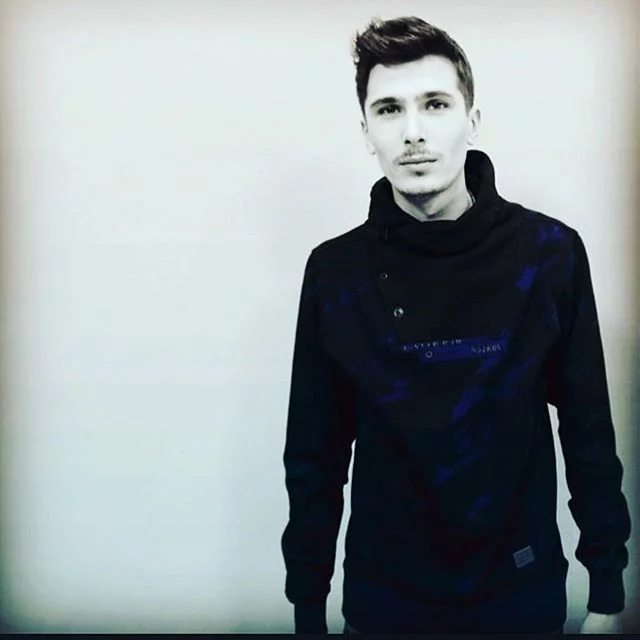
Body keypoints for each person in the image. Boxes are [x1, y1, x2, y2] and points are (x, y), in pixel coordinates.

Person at [280, 16, 631, 634]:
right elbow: (314, 455)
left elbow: (588, 431)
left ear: (472, 119)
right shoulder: (335, 272)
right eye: (389, 110)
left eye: (435, 104)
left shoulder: (548, 254)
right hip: (384, 604)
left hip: (520, 597)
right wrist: (308, 607)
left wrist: (606, 588)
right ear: (366, 132)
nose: (412, 132)